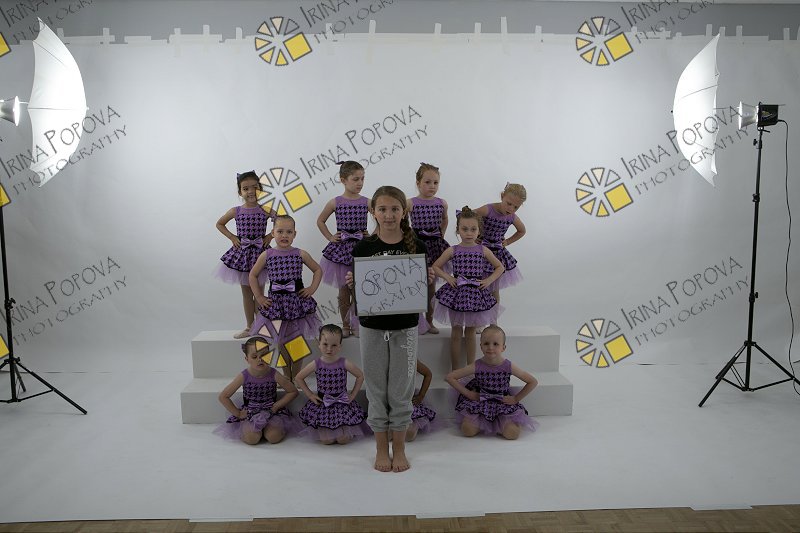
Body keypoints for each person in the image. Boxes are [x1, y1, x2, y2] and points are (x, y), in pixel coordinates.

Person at [345, 185, 433, 472]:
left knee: (401, 389)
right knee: (376, 389)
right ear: (373, 212)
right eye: (382, 209)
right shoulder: (363, 247)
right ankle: (381, 449)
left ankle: (400, 449)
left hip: (405, 327)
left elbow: (421, 291)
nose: (389, 214)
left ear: (403, 211)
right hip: (372, 327)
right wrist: (353, 284)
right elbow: (362, 293)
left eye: (394, 209)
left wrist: (428, 279)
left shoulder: (417, 246)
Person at [249, 215, 322, 380]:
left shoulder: (300, 254)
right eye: (280, 231)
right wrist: (259, 296)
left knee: (297, 342)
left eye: (289, 232)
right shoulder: (267, 255)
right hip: (275, 305)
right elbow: (252, 275)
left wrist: (312, 288)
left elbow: (318, 270)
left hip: (297, 304)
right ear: (273, 233)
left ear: (294, 234)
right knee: (280, 341)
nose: (284, 235)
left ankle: (296, 376)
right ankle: (286, 376)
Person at [432, 206, 504, 370]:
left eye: (473, 229)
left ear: (479, 230)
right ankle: (455, 370)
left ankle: (471, 369)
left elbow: (500, 267)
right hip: (456, 294)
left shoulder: (483, 250)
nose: (469, 233)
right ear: (458, 230)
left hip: (475, 295)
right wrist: (448, 277)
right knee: (456, 332)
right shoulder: (453, 250)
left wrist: (489, 280)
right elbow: (436, 266)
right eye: (464, 229)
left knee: (471, 333)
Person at [446, 325, 538, 439]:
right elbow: (450, 377)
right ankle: (483, 424)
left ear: (503, 347)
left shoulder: (508, 366)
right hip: (480, 401)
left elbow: (532, 381)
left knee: (512, 434)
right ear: (480, 346)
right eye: (486, 343)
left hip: (502, 402)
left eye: (495, 344)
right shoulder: (477, 365)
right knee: (467, 430)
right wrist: (469, 394)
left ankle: (502, 424)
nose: (490, 347)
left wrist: (515, 398)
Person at [214, 171, 273, 338]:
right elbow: (219, 224)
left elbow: (282, 220)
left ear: (260, 189)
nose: (251, 191)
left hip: (260, 255)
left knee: (259, 294)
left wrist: (270, 236)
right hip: (243, 256)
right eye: (246, 188)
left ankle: (261, 326)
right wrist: (233, 237)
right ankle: (249, 327)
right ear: (240, 192)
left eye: (254, 187)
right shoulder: (236, 211)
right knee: (247, 293)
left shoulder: (266, 210)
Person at [316, 161, 368, 338]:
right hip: (341, 251)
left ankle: (358, 324)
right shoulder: (336, 202)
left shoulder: (367, 201)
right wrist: (330, 237)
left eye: (362, 179)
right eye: (355, 179)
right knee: (344, 290)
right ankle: (345, 325)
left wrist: (373, 236)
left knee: (359, 289)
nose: (360, 183)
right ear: (343, 180)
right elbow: (320, 221)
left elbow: (381, 216)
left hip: (361, 250)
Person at [215, 336, 299, 444]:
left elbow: (293, 391)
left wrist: (277, 405)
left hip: (271, 411)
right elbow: (223, 396)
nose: (260, 359)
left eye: (264, 355)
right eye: (254, 356)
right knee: (252, 439)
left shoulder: (273, 374)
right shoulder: (244, 376)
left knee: (274, 437)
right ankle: (252, 432)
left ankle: (269, 430)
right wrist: (238, 413)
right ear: (247, 359)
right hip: (250, 412)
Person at [295, 324, 370, 444]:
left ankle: (342, 431)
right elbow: (299, 378)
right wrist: (310, 395)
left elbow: (360, 376)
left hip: (342, 404)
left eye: (334, 345)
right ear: (319, 344)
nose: (329, 349)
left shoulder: (344, 362)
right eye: (325, 344)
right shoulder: (316, 363)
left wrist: (353, 395)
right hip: (323, 403)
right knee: (327, 441)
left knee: (343, 440)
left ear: (340, 346)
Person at [475, 183, 527, 321]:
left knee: (494, 289)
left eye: (516, 207)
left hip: (497, 255)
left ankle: (493, 321)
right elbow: (467, 216)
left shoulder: (512, 217)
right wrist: (475, 236)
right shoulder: (488, 209)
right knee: (478, 286)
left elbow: (522, 231)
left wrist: (507, 242)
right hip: (480, 252)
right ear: (502, 196)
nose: (511, 209)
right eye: (509, 204)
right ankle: (478, 321)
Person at [409, 162, 450, 334]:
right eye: (427, 182)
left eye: (435, 182)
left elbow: (445, 219)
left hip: (435, 247)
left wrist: (441, 234)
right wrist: (409, 238)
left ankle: (429, 321)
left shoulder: (441, 203)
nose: (432, 186)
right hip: (417, 248)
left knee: (431, 286)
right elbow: (401, 222)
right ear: (418, 182)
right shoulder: (411, 203)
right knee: (415, 284)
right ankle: (415, 321)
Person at [406, 359, 436, 442]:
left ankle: (413, 424)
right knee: (387, 434)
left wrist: (421, 396)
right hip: (391, 404)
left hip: (408, 403)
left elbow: (428, 374)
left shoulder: (409, 357)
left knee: (409, 434)